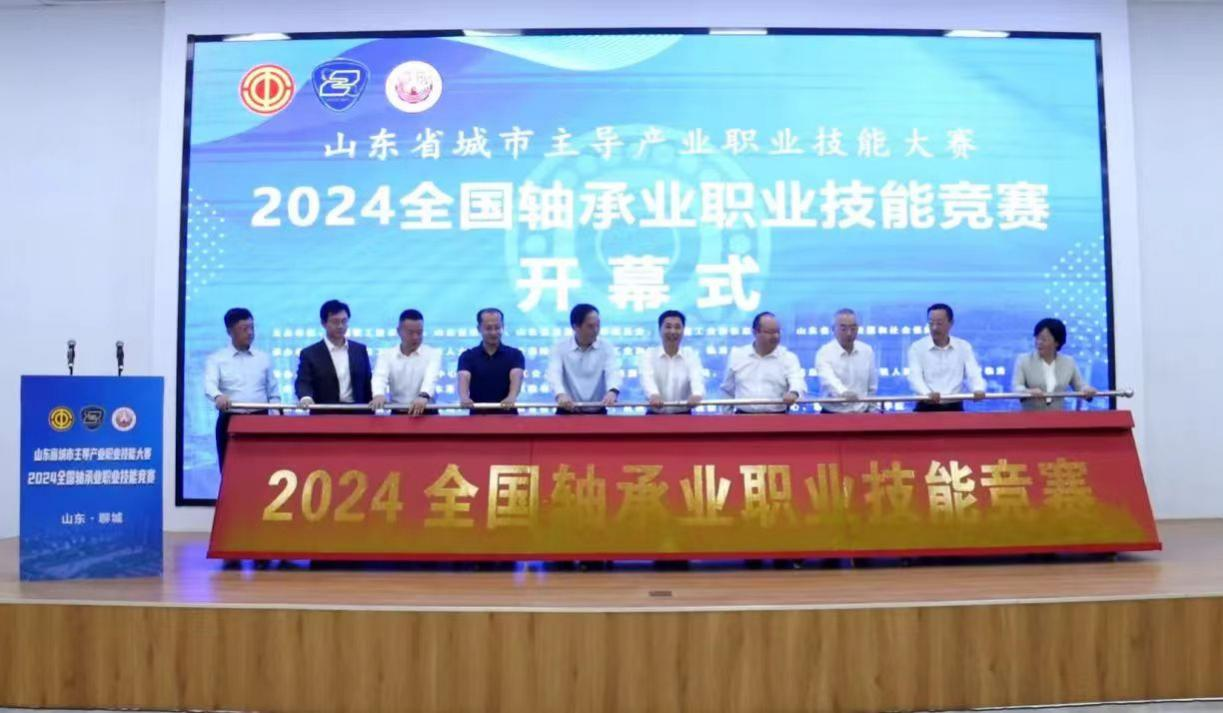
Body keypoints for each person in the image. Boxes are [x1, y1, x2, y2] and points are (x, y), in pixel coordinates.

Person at [203, 307, 278, 468]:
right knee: (230, 469)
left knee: (264, 468)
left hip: (261, 419)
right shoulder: (217, 359)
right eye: (244, 329)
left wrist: (276, 418)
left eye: (252, 328)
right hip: (231, 419)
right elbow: (210, 384)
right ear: (230, 331)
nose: (250, 333)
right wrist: (218, 396)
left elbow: (273, 391)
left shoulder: (264, 358)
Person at [720, 311, 807, 414]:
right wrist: (727, 417)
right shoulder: (737, 355)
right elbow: (727, 390)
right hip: (743, 416)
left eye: (778, 332)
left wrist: (794, 393)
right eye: (770, 332)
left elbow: (797, 381)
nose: (775, 336)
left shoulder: (788, 357)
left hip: (777, 417)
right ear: (755, 332)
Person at [906, 303, 986, 412]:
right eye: (931, 323)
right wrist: (927, 394)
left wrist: (978, 389)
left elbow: (973, 373)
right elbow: (915, 377)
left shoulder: (963, 346)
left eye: (939, 323)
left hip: (954, 407)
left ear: (951, 323)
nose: (934, 328)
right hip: (926, 406)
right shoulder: (917, 347)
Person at [295, 299, 373, 409]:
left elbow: (368, 382)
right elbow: (303, 382)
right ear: (323, 323)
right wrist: (306, 397)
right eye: (335, 322)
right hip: (325, 412)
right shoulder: (310, 354)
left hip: (357, 411)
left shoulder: (360, 350)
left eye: (344, 321)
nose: (340, 326)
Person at [546, 303, 622, 414]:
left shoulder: (606, 347)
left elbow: (613, 371)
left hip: (597, 410)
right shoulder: (560, 347)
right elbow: (554, 373)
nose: (596, 330)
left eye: (598, 325)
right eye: (590, 326)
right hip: (567, 409)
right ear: (575, 327)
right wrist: (560, 394)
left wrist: (612, 391)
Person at [1011, 317, 1097, 411]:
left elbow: (1080, 386)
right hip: (1030, 417)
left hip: (1058, 417)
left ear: (1057, 342)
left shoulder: (1068, 362)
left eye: (1044, 339)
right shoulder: (1023, 360)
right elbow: (1016, 387)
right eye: (1037, 338)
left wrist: (1087, 390)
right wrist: (1028, 392)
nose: (1039, 342)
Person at [370, 309, 441, 416]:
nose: (416, 337)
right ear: (398, 331)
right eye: (410, 333)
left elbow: (431, 378)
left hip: (427, 411)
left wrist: (423, 396)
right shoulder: (386, 355)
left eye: (419, 332)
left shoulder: (433, 353)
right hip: (398, 412)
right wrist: (378, 394)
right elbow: (380, 377)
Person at [458, 308, 525, 415]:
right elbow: (464, 376)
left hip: (507, 415)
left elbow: (516, 375)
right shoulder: (467, 356)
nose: (493, 332)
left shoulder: (515, 354)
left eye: (497, 328)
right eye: (488, 328)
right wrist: (464, 397)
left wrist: (511, 397)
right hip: (477, 417)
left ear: (503, 327)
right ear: (479, 329)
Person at [638, 309, 705, 414]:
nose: (673, 331)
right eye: (668, 327)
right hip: (654, 415)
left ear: (683, 330)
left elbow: (697, 378)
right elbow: (646, 378)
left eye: (677, 327)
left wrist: (697, 394)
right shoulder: (649, 354)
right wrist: (653, 394)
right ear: (660, 329)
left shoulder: (691, 355)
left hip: (683, 416)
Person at [815, 308, 879, 413]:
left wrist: (873, 410)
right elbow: (828, 380)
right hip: (832, 413)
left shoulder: (867, 351)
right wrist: (844, 393)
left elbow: (872, 387)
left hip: (862, 412)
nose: (849, 333)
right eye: (843, 329)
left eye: (853, 328)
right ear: (833, 329)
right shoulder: (824, 352)